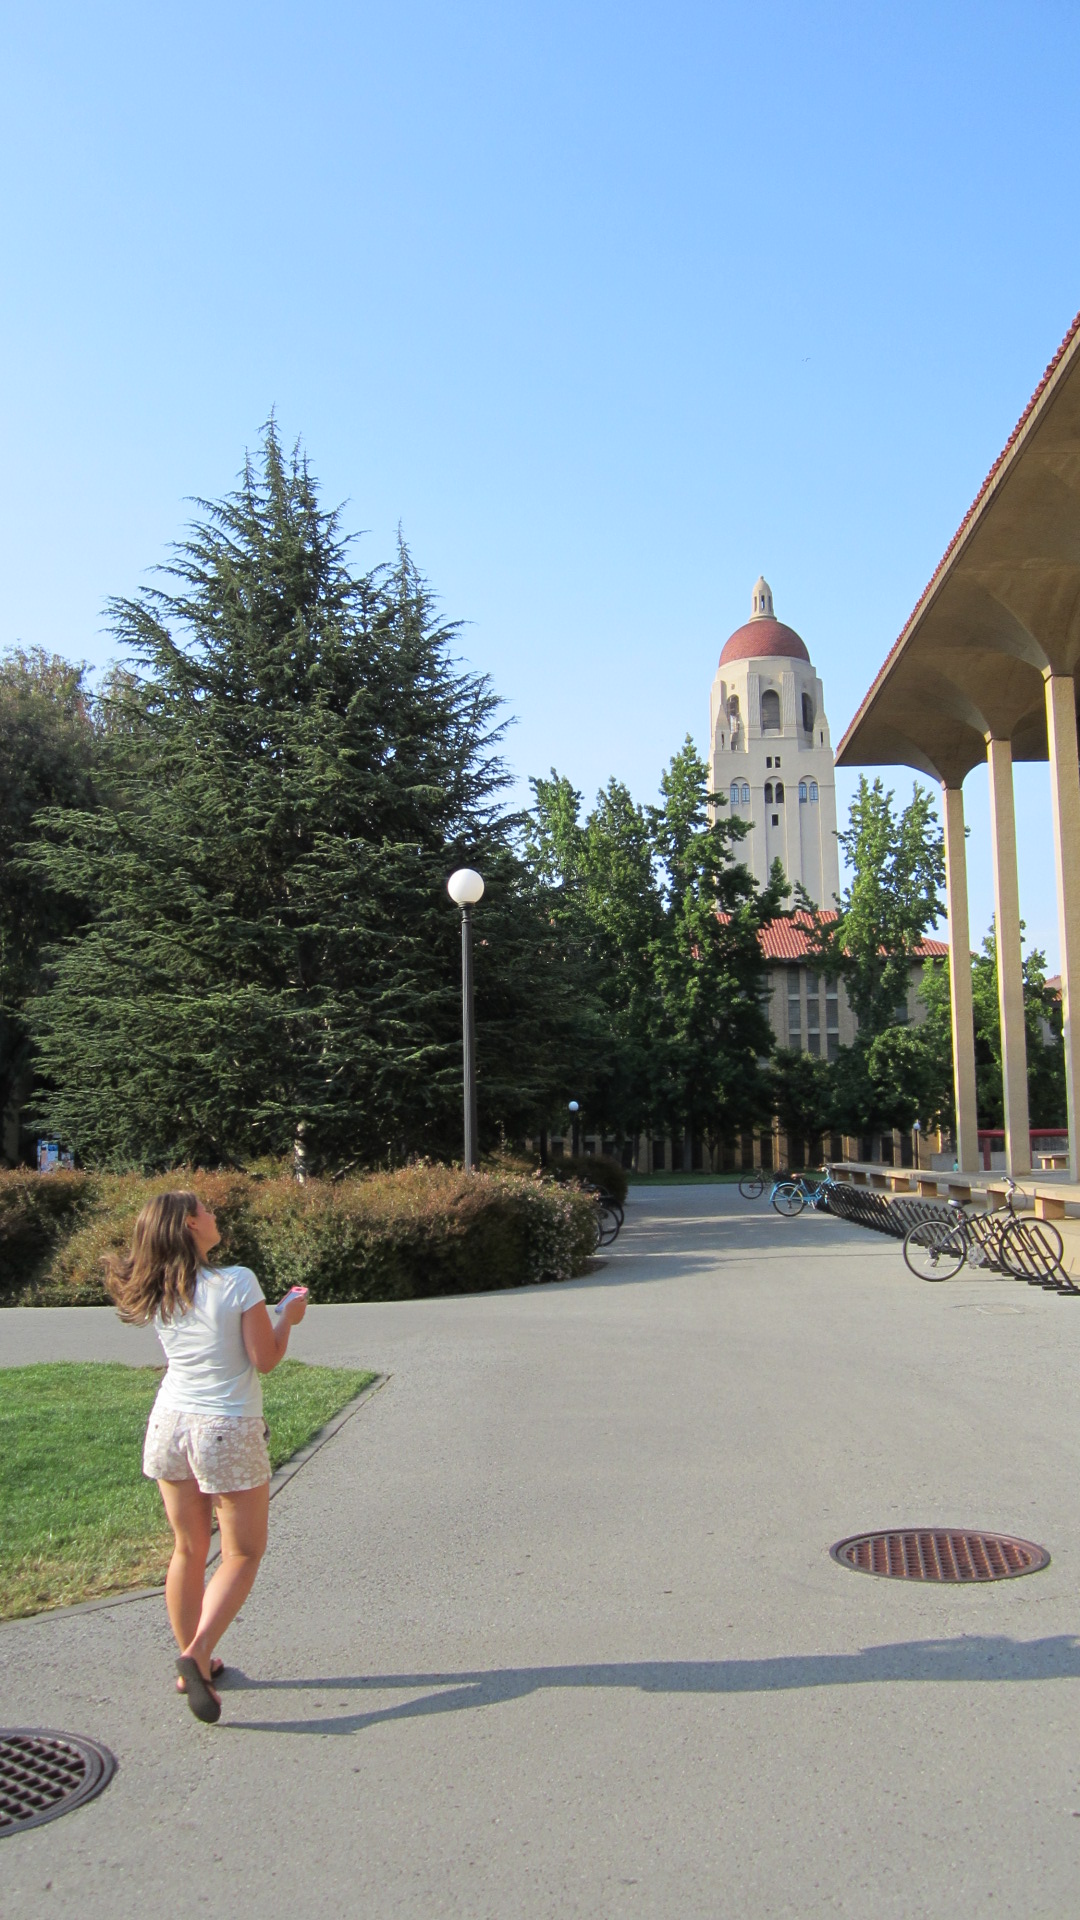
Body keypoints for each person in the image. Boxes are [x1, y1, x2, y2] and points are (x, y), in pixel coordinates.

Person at [105, 1189, 308, 1723]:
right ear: (192, 1224)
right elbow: (264, 1359)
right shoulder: (237, 1281)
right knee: (242, 1552)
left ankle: (190, 1663)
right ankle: (196, 1653)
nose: (216, 1216)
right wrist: (289, 1315)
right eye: (209, 1210)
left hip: (169, 1423)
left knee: (189, 1548)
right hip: (225, 1426)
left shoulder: (163, 1288)